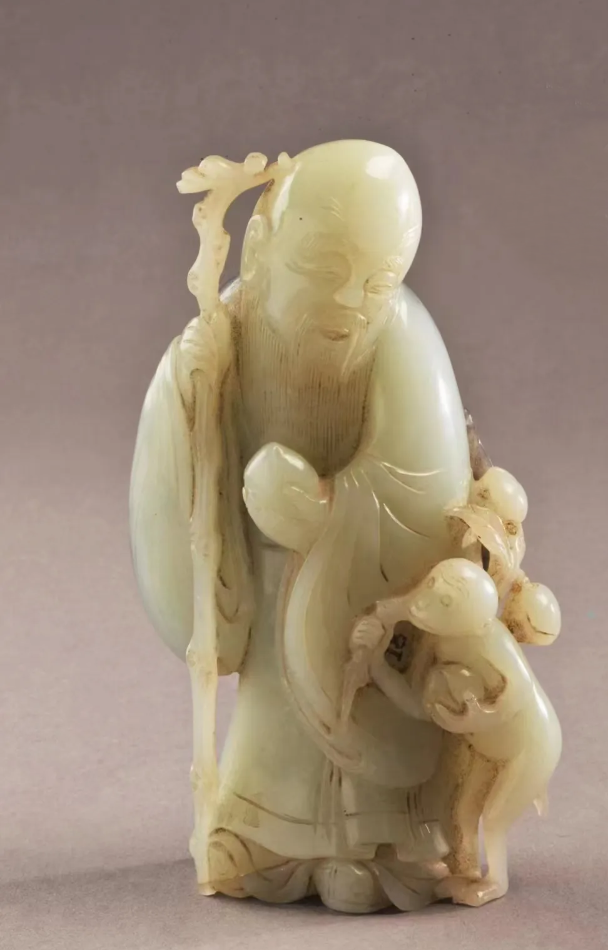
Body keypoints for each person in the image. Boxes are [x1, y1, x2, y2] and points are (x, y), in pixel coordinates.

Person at [130, 140, 473, 911]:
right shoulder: (218, 343)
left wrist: (324, 513)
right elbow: (171, 486)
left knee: (367, 699)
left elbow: (428, 483)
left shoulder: (401, 335)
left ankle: (380, 844)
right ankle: (265, 834)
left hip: (360, 601)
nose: (352, 301)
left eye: (378, 280)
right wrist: (189, 399)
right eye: (323, 269)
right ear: (260, 245)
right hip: (263, 583)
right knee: (274, 718)